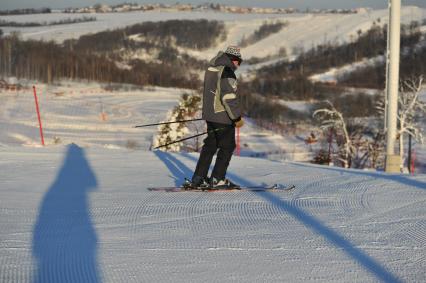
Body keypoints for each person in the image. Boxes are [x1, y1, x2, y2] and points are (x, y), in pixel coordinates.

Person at [189, 46, 244, 189]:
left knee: (210, 146)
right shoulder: (227, 72)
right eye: (239, 61)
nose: (239, 65)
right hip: (223, 117)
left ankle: (198, 178)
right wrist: (237, 117)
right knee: (227, 146)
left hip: (210, 115)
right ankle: (217, 179)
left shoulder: (212, 69)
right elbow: (228, 97)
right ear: (233, 59)